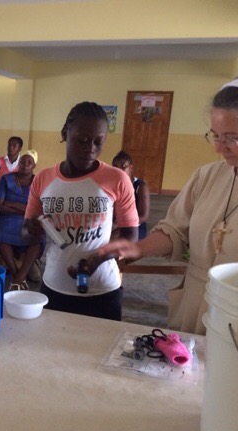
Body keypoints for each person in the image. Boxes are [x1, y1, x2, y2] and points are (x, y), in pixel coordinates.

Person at [99, 68, 238, 334]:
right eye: (215, 135)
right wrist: (138, 249)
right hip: (194, 300)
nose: (219, 147)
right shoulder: (207, 176)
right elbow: (175, 230)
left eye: (232, 138)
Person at [19, 102, 139, 321]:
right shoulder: (44, 179)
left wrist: (98, 258)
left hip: (102, 290)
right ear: (65, 133)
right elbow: (26, 234)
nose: (90, 148)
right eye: (82, 140)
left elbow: (131, 237)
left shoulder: (117, 179)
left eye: (98, 142)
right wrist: (32, 230)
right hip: (55, 287)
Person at [0, 150, 41, 290]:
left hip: (29, 219)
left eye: (29, 162)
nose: (25, 164)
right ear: (18, 163)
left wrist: (11, 203)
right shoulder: (6, 179)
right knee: (2, 234)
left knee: (37, 237)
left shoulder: (38, 182)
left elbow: (38, 210)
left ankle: (21, 273)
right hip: (8, 217)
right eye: (23, 161)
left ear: (34, 166)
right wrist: (25, 208)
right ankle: (18, 275)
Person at [112, 150, 150, 239]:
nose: (119, 170)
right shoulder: (111, 185)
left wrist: (117, 225)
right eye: (115, 167)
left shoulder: (140, 186)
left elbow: (144, 216)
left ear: (131, 168)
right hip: (115, 223)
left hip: (135, 225)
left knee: (113, 238)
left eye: (123, 166)